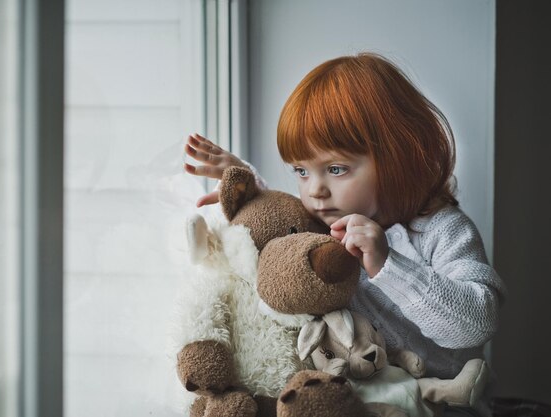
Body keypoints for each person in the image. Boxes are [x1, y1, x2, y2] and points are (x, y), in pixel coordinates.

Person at [183, 53, 506, 417]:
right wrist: (253, 191)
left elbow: (477, 323)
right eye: (301, 171)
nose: (315, 190)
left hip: (438, 405)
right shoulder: (325, 224)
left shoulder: (440, 229)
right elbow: (286, 235)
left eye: (336, 169)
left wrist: (388, 265)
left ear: (397, 158)